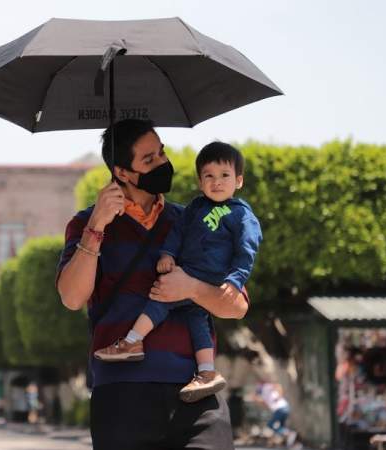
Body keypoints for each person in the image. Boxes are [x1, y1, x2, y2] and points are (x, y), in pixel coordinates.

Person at [57, 119, 250, 450]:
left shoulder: (194, 220)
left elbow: (237, 306)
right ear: (122, 173)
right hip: (121, 394)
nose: (163, 163)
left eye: (161, 153)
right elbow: (72, 298)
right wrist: (97, 225)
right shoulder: (85, 224)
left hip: (197, 388)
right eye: (149, 160)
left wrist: (190, 288)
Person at [94, 142, 261, 403]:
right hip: (187, 269)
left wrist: (236, 278)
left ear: (238, 181)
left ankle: (132, 340)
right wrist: (168, 254)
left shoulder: (242, 215)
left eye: (225, 176)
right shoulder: (194, 208)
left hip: (210, 278)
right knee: (197, 322)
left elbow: (247, 249)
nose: (217, 182)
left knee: (160, 298)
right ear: (200, 180)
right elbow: (178, 233)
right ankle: (206, 372)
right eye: (209, 176)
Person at [250, 382, 297, 447]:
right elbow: (263, 403)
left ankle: (289, 433)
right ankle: (290, 443)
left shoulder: (266, 387)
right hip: (284, 408)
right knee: (281, 426)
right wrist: (256, 399)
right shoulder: (263, 395)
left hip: (280, 409)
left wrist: (280, 396)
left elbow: (278, 385)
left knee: (270, 425)